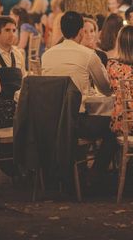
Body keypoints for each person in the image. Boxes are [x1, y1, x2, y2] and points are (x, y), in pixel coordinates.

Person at [41, 11, 114, 175]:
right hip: (75, 123)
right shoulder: (89, 55)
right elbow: (106, 89)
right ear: (81, 31)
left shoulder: (46, 55)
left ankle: (76, 170)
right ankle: (95, 175)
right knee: (114, 126)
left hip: (49, 121)